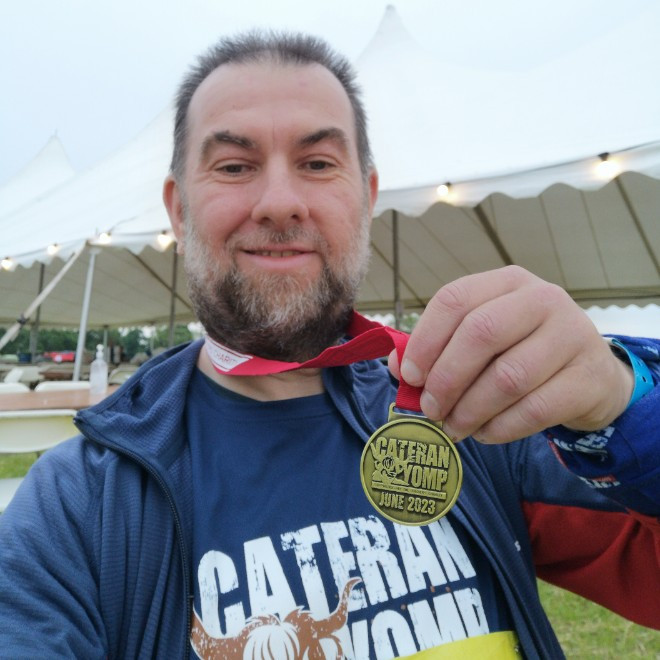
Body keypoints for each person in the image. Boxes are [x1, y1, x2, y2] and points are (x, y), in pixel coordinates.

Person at [0, 31, 658, 659]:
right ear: (178, 210)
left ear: (366, 197)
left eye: (317, 164)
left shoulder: (477, 413)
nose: (280, 202)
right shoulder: (80, 504)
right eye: (234, 166)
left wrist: (621, 405)